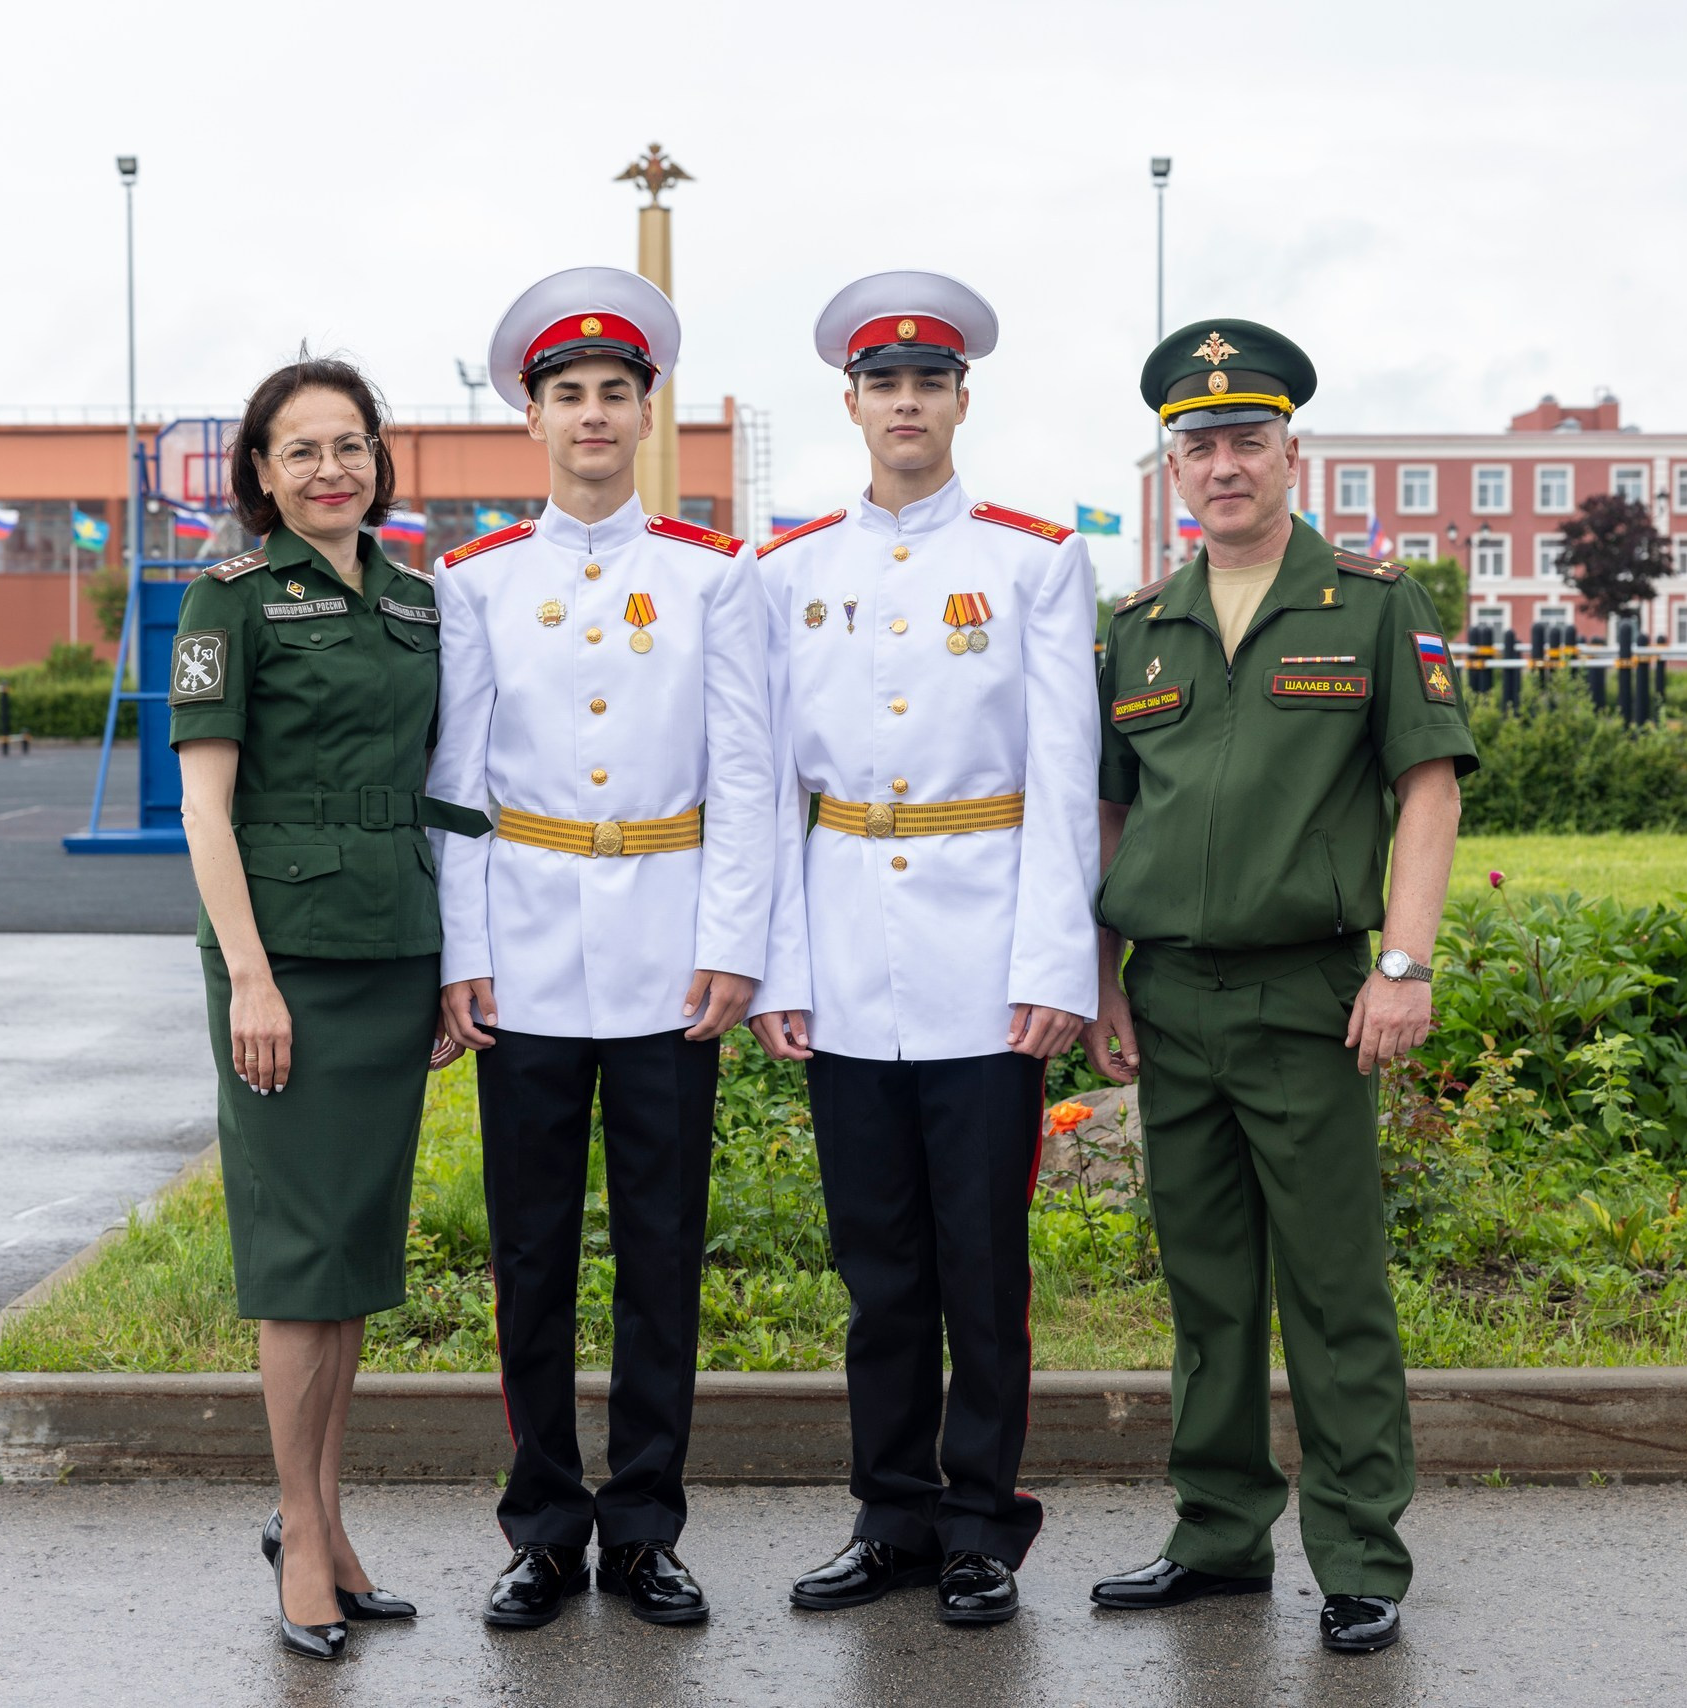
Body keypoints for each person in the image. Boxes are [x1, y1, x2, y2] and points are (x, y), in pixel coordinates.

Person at [1080, 320, 1477, 1654]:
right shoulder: (1141, 628)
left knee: (1331, 1287)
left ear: (1291, 452)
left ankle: (1360, 1554)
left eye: (1247, 439)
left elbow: (1429, 789)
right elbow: (1112, 819)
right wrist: (1103, 982)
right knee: (1205, 1287)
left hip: (1311, 998)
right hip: (1171, 998)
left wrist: (1404, 964)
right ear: (1172, 469)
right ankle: (1217, 1535)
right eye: (1199, 446)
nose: (1225, 465)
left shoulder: (1369, 606)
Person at [424, 267, 773, 1631]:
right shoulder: (476, 581)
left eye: (614, 393)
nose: (590, 414)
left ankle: (643, 1528)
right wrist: (461, 953)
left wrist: (733, 943)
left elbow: (743, 773)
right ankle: (541, 1527)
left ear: (644, 413)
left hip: (667, 954)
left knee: (662, 1251)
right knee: (530, 1254)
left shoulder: (710, 575)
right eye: (566, 393)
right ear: (533, 417)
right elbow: (457, 783)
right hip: (522, 953)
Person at [748, 272, 1099, 1626]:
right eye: (884, 383)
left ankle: (981, 1525)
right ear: (851, 403)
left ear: (962, 401)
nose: (907, 402)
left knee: (982, 1268)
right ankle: (890, 1516)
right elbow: (769, 792)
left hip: (985, 959)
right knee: (877, 1264)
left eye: (930, 382)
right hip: (845, 955)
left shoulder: (1031, 560)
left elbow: (1064, 777)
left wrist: (1054, 966)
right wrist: (780, 970)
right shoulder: (788, 571)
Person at [169, 356, 491, 1660]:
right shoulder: (231, 597)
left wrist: (450, 957)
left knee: (352, 1257)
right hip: (285, 961)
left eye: (349, 445)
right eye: (300, 450)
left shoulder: (416, 601)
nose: (330, 470)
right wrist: (249, 974)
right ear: (260, 470)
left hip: (391, 947)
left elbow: (443, 781)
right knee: (300, 1264)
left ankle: (330, 1521)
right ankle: (299, 1534)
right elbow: (205, 808)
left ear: (378, 458)